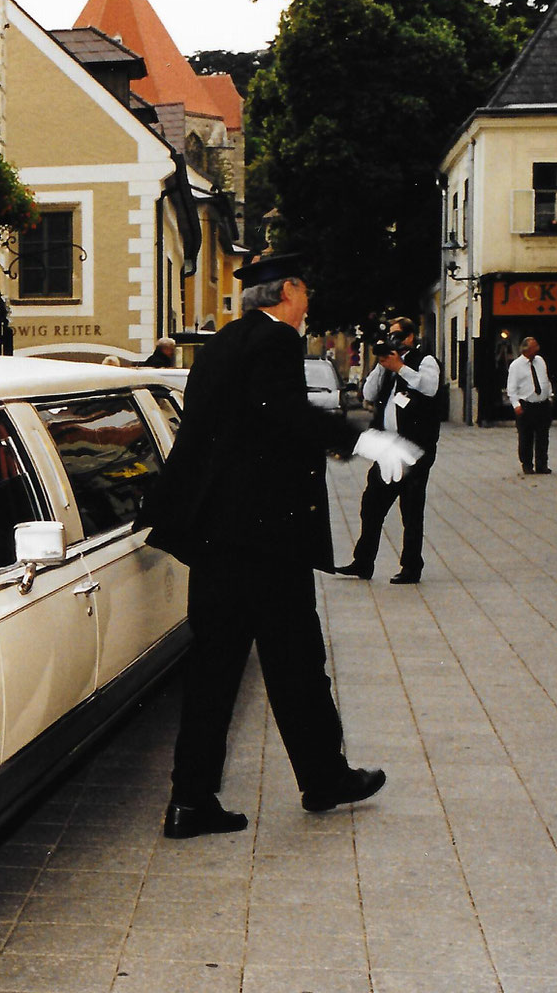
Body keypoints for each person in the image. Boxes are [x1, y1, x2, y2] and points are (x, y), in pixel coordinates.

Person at [145, 252, 418, 839]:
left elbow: (235, 432)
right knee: (296, 661)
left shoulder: (220, 345)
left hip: (219, 536)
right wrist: (366, 439)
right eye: (306, 289)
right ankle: (323, 778)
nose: (309, 301)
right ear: (288, 290)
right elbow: (285, 416)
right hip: (263, 540)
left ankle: (191, 799)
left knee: (215, 669)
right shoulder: (274, 344)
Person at [335, 317, 440, 584]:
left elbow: (429, 387)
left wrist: (401, 367)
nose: (392, 341)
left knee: (411, 509)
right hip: (388, 448)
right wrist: (383, 367)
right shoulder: (387, 367)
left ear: (408, 338)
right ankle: (363, 562)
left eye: (396, 336)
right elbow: (368, 393)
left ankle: (411, 567)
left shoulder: (425, 360)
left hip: (415, 449)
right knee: (371, 505)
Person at [506, 335, 554, 474]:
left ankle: (542, 464)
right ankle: (527, 464)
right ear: (526, 350)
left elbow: (545, 379)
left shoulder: (540, 361)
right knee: (526, 437)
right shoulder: (516, 365)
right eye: (535, 347)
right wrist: (516, 405)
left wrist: (550, 396)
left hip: (542, 404)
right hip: (527, 405)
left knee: (543, 436)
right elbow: (512, 388)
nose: (537, 349)